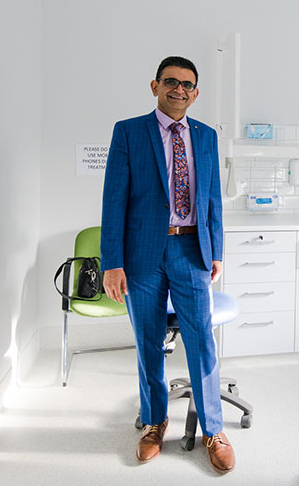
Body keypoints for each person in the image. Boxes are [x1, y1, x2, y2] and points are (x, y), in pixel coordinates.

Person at [100, 56, 234, 473]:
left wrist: (216, 251)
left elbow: (211, 198)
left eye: (187, 84)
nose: (179, 89)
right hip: (142, 255)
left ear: (196, 93)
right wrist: (112, 261)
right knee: (149, 340)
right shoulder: (129, 132)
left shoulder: (207, 136)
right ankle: (155, 423)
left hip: (191, 250)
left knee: (201, 340)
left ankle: (213, 428)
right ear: (155, 85)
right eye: (171, 82)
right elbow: (114, 199)